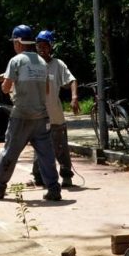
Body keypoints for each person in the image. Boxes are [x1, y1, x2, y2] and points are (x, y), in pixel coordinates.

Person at [0, 24, 62, 201]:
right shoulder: (42, 62)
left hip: (21, 116)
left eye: (14, 42)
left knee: (10, 152)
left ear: (18, 42)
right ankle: (54, 189)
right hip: (42, 117)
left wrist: (7, 87)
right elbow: (47, 90)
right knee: (46, 154)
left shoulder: (16, 61)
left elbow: (6, 87)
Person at [30, 30, 79, 188]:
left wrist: (74, 97)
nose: (42, 49)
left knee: (61, 148)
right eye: (39, 46)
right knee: (39, 147)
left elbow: (72, 80)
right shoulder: (31, 65)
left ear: (51, 47)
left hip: (55, 116)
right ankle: (38, 176)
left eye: (45, 46)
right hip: (38, 116)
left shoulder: (58, 65)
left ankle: (66, 176)